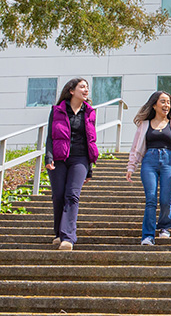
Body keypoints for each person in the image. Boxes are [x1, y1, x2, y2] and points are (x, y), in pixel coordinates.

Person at [126, 91, 171, 246]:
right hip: (149, 161)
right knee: (151, 199)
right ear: (154, 105)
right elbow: (136, 147)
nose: (166, 105)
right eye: (162, 101)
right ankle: (148, 235)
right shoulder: (144, 125)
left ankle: (164, 227)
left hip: (169, 161)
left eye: (168, 102)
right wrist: (131, 166)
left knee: (166, 199)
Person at [45, 78, 99, 251]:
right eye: (82, 87)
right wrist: (48, 157)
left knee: (72, 195)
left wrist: (89, 167)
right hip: (59, 158)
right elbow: (50, 137)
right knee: (58, 196)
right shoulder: (57, 111)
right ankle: (59, 234)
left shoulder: (90, 112)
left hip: (80, 158)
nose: (86, 90)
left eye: (87, 87)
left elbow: (90, 140)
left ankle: (68, 237)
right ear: (71, 90)